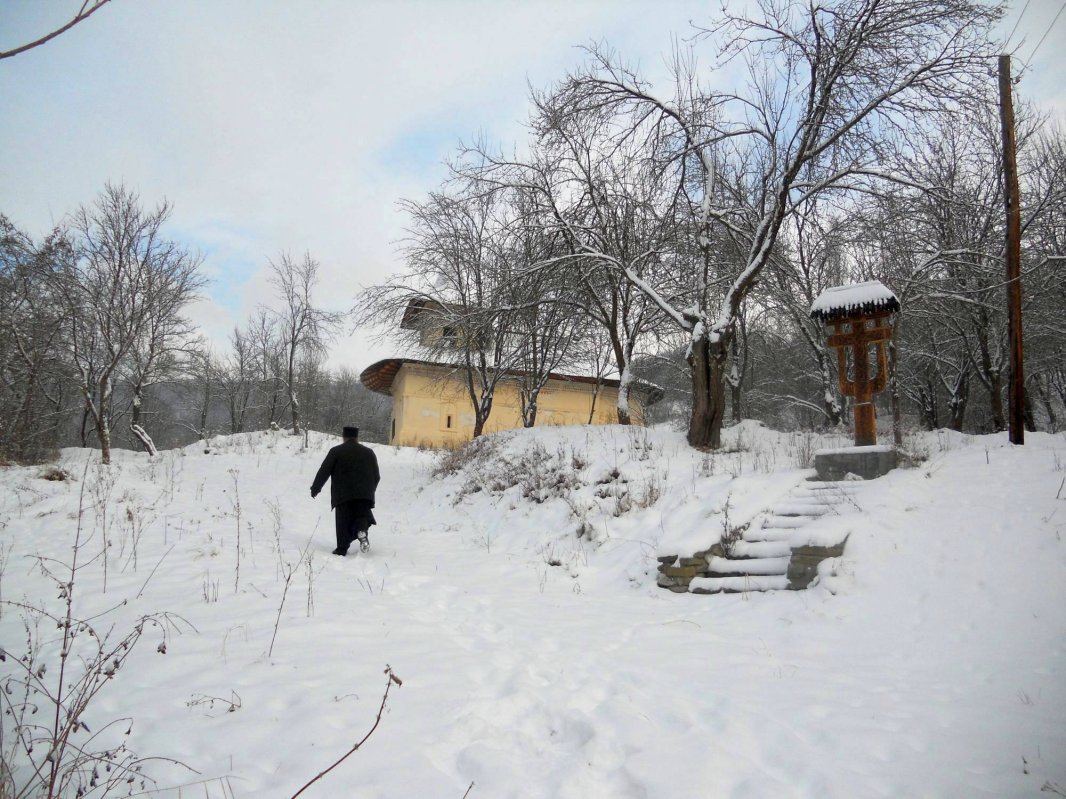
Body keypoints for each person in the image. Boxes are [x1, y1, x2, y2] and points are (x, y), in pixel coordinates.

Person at [310, 426, 380, 556]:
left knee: (343, 521)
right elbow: (376, 476)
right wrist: (370, 491)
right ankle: (362, 531)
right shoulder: (369, 452)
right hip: (364, 494)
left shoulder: (336, 451)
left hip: (343, 494)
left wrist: (316, 488)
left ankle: (342, 548)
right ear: (357, 437)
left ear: (344, 437)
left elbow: (324, 470)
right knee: (361, 515)